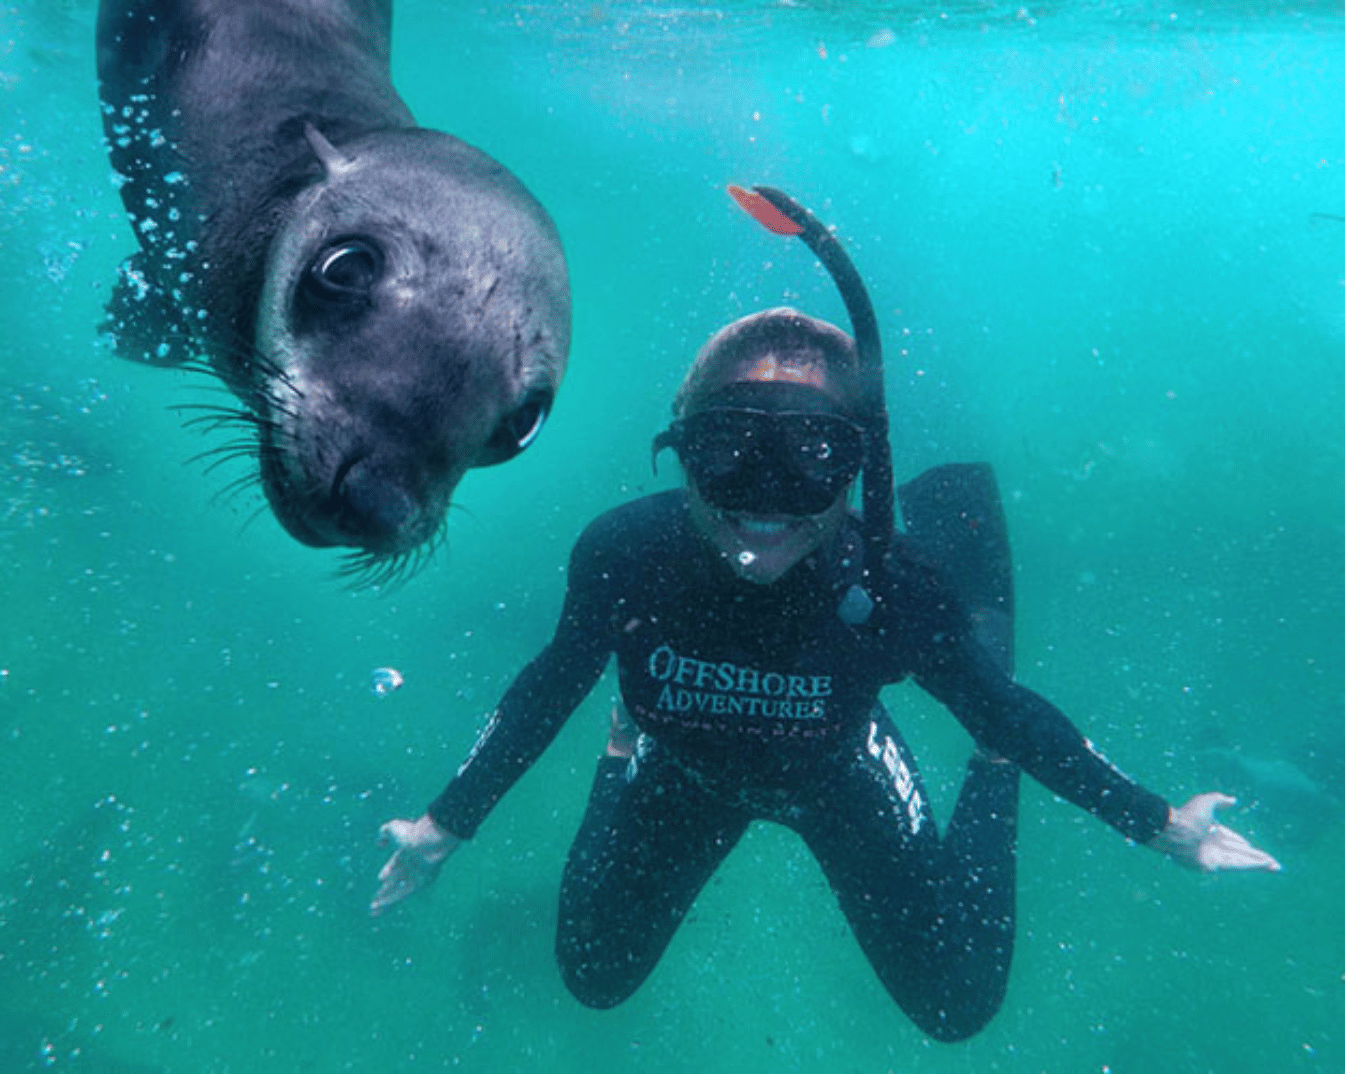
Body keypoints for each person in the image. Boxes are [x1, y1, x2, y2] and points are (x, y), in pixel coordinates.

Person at [370, 304, 1277, 1039]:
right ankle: (623, 750)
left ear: (857, 468)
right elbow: (544, 687)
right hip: (686, 771)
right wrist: (445, 826)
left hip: (837, 771)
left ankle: (987, 774)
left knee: (958, 1003)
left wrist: (1161, 825)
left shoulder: (893, 586)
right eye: (728, 451)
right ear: (680, 449)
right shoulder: (627, 554)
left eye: (810, 458)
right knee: (593, 976)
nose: (763, 503)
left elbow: (1008, 711)